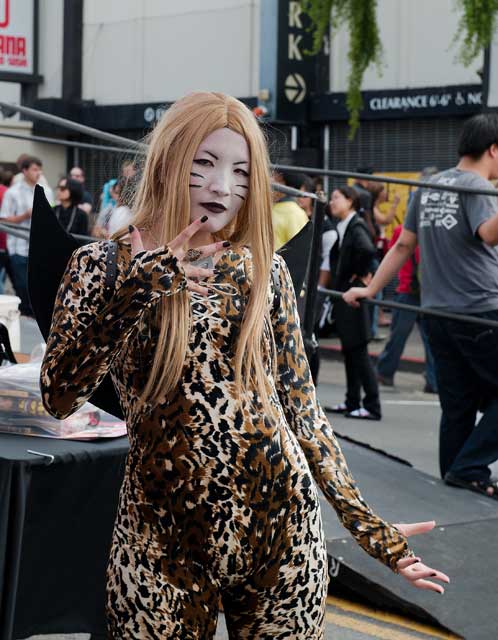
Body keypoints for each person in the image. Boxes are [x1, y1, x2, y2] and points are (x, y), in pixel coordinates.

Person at [40, 92, 448, 638]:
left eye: (241, 171)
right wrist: (139, 289)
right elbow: (59, 396)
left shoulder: (265, 270)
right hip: (160, 538)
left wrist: (368, 527)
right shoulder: (102, 265)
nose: (221, 187)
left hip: (285, 530)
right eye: (204, 163)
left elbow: (303, 412)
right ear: (168, 161)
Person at [344, 112, 498, 501]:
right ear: (494, 150)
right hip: (480, 309)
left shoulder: (428, 186)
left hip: (436, 314)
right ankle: (470, 468)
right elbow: (489, 235)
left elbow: (403, 245)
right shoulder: (478, 187)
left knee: (458, 403)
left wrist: (371, 289)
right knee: (465, 400)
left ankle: (456, 477)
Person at [321, 186, 381, 420]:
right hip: (346, 295)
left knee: (359, 352)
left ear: (350, 201)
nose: (332, 202)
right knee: (350, 350)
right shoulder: (346, 225)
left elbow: (367, 251)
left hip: (352, 295)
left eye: (337, 198)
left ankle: (372, 405)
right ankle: (352, 401)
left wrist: (359, 277)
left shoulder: (356, 226)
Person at [376, 225, 437, 393]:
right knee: (430, 339)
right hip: (427, 292)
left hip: (408, 290)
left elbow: (394, 254)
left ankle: (385, 372)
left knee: (398, 336)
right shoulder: (432, 230)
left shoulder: (401, 231)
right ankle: (433, 380)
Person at [0, 156, 48, 315]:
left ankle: (34, 315)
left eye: (40, 169)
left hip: (39, 247)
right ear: (25, 171)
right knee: (22, 285)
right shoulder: (12, 192)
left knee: (38, 285)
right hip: (18, 247)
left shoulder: (46, 190)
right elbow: (4, 220)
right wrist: (25, 215)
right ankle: (26, 315)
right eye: (35, 169)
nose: (38, 173)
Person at [271, 170, 309, 250]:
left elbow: (299, 249)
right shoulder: (273, 207)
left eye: (276, 179)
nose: (271, 182)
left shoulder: (294, 213)